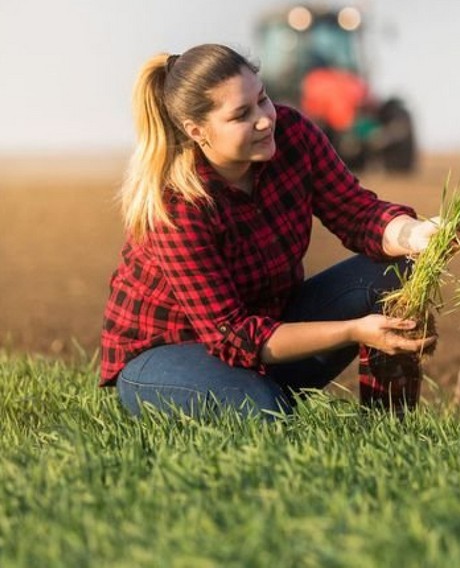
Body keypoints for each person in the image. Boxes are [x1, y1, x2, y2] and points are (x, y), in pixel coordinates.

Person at [100, 43, 440, 419]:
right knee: (266, 412)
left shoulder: (293, 135)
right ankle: (252, 396)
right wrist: (352, 331)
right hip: (167, 354)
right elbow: (233, 335)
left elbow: (357, 213)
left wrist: (415, 235)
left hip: (266, 331)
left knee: (392, 269)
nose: (265, 119)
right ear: (198, 131)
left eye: (263, 100)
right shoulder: (177, 205)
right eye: (242, 114)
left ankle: (389, 428)